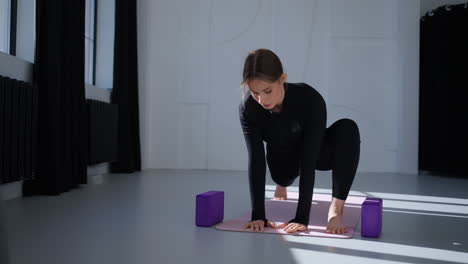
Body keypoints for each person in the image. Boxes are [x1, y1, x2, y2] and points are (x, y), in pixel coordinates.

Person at [239, 49, 361, 234]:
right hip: (282, 155)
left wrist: (302, 217)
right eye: (255, 92)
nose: (261, 99)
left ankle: (336, 209)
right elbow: (256, 158)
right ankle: (282, 186)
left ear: (282, 79)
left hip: (315, 150)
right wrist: (258, 215)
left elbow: (309, 159)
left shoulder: (310, 99)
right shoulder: (248, 108)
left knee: (348, 129)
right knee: (281, 177)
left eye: (267, 91)